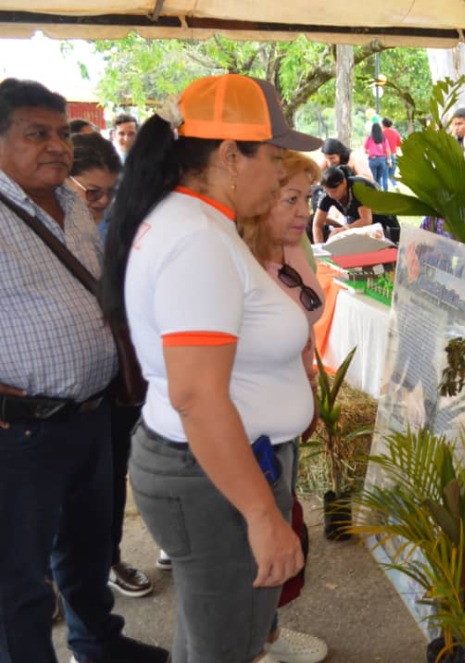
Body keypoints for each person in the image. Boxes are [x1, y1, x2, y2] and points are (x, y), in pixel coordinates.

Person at [99, 73, 321, 662]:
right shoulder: (196, 238)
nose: (279, 174)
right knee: (226, 647)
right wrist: (261, 514)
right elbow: (198, 397)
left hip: (213, 467)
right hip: (217, 478)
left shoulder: (193, 222)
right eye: (272, 157)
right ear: (229, 154)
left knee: (207, 638)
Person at [0, 78, 167, 663]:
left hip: (93, 413)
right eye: (35, 133)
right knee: (17, 580)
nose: (56, 145)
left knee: (87, 550)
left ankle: (99, 646)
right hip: (19, 429)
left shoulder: (73, 201)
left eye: (59, 131)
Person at [236, 151, 328, 663]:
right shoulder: (236, 262)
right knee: (256, 541)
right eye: (290, 199)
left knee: (278, 528)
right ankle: (250, 645)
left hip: (286, 420)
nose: (302, 212)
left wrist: (309, 387)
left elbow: (303, 330)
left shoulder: (296, 251)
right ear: (257, 201)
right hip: (252, 433)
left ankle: (267, 633)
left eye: (306, 199)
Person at [68, 132, 153, 600]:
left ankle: (108, 559)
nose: (101, 202)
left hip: (113, 383)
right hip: (46, 405)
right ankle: (56, 581)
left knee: (109, 481)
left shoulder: (113, 225)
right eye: (92, 192)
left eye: (110, 192)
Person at [312, 165, 400, 243]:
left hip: (383, 220)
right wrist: (320, 248)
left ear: (344, 182)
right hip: (357, 221)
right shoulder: (327, 195)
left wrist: (344, 229)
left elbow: (366, 220)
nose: (331, 195)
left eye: (334, 191)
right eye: (327, 191)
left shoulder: (359, 187)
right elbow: (317, 225)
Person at [364, 121, 389, 191]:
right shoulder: (383, 138)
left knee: (373, 179)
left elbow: (365, 149)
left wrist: (369, 153)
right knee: (379, 179)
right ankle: (379, 193)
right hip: (382, 160)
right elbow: (387, 149)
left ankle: (374, 194)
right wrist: (388, 160)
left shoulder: (370, 138)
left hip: (373, 160)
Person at [381, 117, 402, 190]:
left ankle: (385, 192)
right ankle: (396, 187)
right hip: (393, 155)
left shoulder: (381, 133)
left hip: (384, 156)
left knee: (384, 176)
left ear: (383, 124)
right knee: (391, 175)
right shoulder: (395, 132)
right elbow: (399, 144)